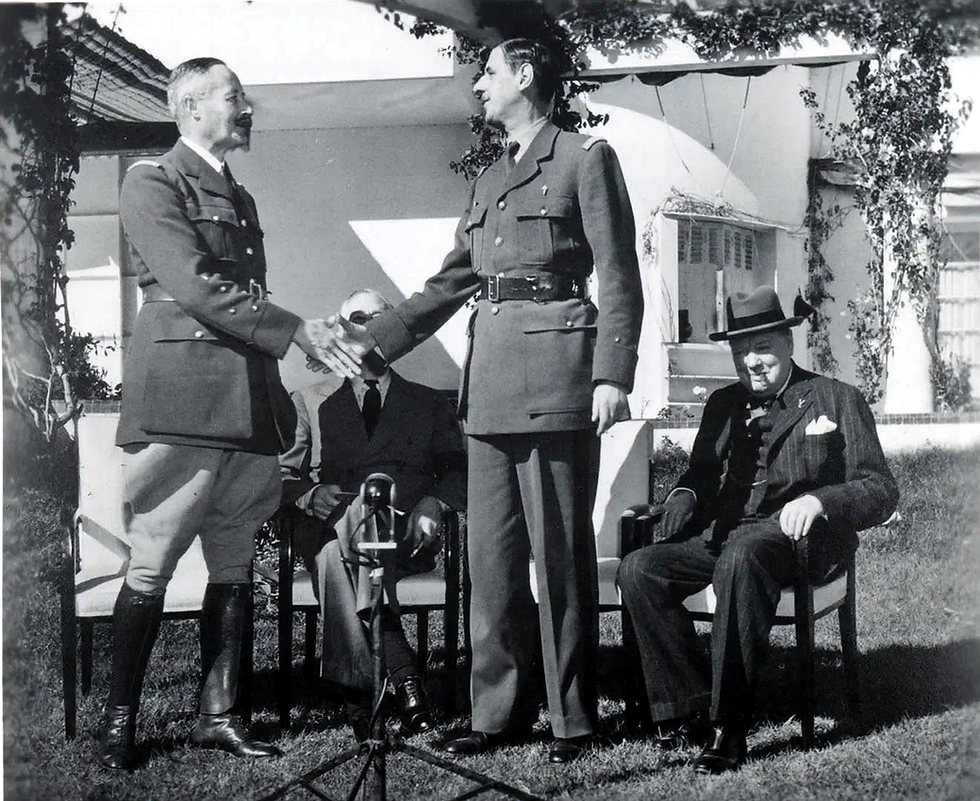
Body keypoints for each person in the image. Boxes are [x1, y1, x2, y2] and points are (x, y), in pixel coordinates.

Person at [315, 39, 643, 763]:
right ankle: (497, 712)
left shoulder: (585, 159)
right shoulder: (491, 176)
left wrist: (612, 373)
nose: (479, 83)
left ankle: (573, 717)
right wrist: (372, 346)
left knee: (559, 557)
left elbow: (619, 272)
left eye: (489, 71)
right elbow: (447, 284)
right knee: (491, 563)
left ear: (525, 76)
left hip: (559, 379)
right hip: (489, 390)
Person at [96, 57, 350, 771]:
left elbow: (240, 295)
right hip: (186, 400)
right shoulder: (152, 180)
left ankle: (219, 715)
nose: (248, 109)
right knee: (152, 561)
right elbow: (199, 287)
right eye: (235, 97)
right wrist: (295, 327)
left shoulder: (238, 194)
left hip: (246, 402)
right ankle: (120, 722)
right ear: (189, 107)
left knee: (234, 562)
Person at [617, 285, 899, 774]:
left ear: (790, 344)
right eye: (740, 350)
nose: (752, 361)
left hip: (799, 538)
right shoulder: (723, 404)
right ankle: (688, 708)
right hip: (727, 533)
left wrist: (820, 500)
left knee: (742, 557)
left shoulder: (836, 398)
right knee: (640, 569)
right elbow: (701, 475)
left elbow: (879, 488)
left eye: (763, 346)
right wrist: (684, 496)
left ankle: (730, 726)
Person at [279, 289, 467, 740]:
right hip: (328, 522)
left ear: (392, 330)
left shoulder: (428, 402)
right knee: (351, 518)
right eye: (354, 317)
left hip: (406, 537)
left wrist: (434, 503)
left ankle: (361, 694)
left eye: (375, 318)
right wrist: (309, 495)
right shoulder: (309, 400)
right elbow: (283, 476)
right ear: (341, 330)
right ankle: (404, 677)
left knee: (333, 557)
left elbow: (459, 469)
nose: (363, 325)